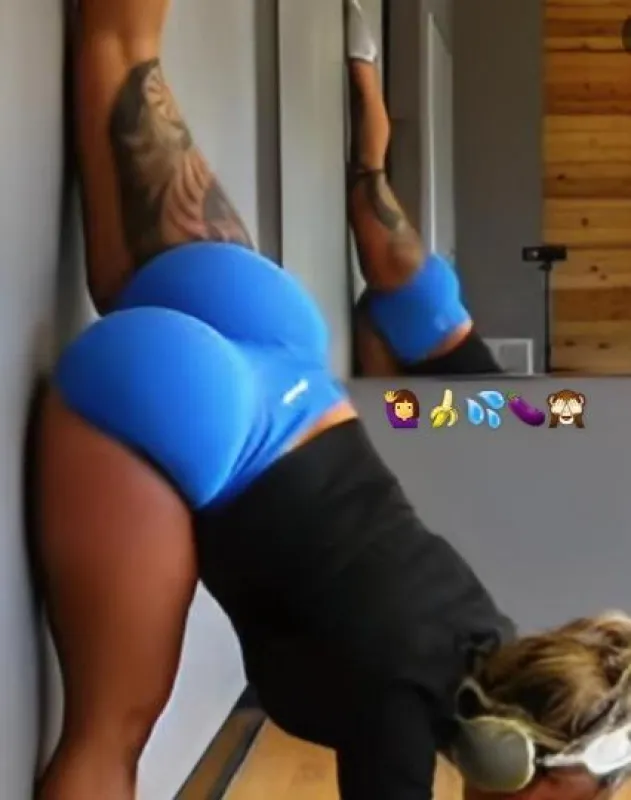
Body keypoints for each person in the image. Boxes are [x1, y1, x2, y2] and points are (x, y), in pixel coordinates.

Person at [35, 0, 631, 798]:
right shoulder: (397, 720)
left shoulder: (485, 634)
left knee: (122, 41)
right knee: (107, 742)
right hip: (190, 413)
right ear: (510, 756)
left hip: (274, 338)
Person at [346, 0, 502, 377]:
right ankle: (365, 64)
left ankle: (365, 65)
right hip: (424, 311)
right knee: (367, 172)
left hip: (412, 333)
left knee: (368, 173)